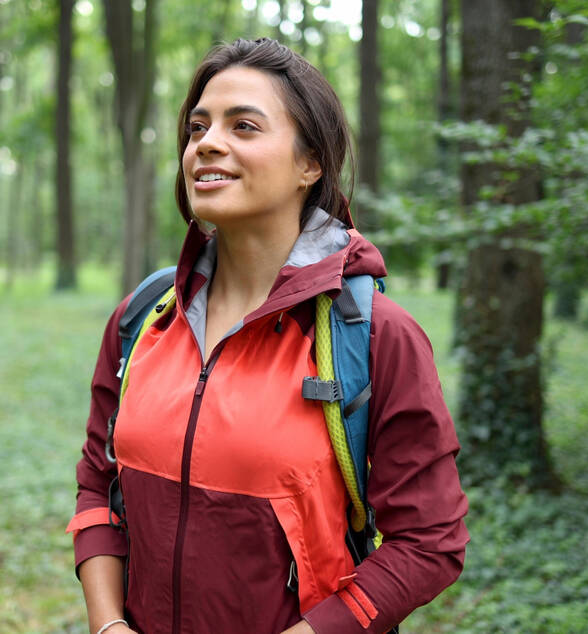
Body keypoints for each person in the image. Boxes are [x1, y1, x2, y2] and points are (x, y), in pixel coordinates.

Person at [68, 38, 468, 634]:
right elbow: (98, 482)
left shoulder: (378, 336)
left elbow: (429, 542)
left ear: (310, 164)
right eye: (197, 126)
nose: (207, 142)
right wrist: (107, 626)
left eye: (244, 126)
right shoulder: (145, 315)